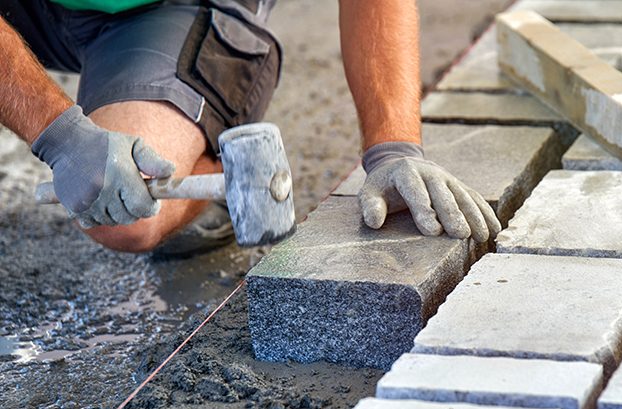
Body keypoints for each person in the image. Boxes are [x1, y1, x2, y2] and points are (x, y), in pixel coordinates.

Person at [0, 0, 500, 256]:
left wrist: (393, 147)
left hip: (165, 11)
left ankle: (223, 171)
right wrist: (59, 134)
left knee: (125, 219)